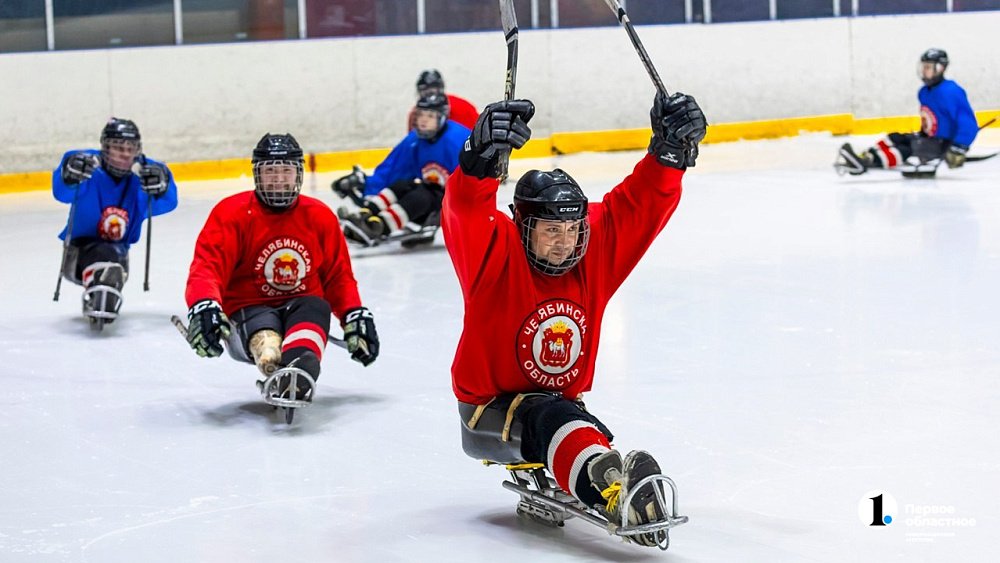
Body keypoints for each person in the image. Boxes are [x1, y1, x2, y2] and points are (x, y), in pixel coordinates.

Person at [442, 93, 706, 547]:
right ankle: (613, 493)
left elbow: (638, 206)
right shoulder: (494, 253)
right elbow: (464, 210)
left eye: (572, 229)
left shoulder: (591, 252)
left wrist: (668, 155)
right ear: (522, 225)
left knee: (568, 422)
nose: (564, 242)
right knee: (553, 417)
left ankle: (607, 474)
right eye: (550, 230)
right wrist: (478, 160)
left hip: (559, 409)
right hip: (488, 410)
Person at [184, 133, 379, 402]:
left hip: (301, 306)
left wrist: (353, 314)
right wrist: (205, 304)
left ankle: (297, 370)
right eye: (270, 171)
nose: (278, 178)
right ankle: (274, 356)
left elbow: (338, 277)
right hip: (248, 309)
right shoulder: (231, 213)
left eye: (286, 171)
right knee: (268, 343)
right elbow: (207, 267)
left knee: (316, 306)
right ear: (257, 174)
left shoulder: (319, 216)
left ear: (298, 173)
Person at [52, 117, 178, 326]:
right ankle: (98, 286)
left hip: (119, 255)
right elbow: (62, 192)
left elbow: (168, 202)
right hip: (78, 253)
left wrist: (163, 186)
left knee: (110, 260)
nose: (125, 154)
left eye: (131, 148)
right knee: (105, 256)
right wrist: (69, 175)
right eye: (118, 148)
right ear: (105, 147)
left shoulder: (143, 176)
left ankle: (102, 292)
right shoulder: (87, 169)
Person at [334, 92, 470, 247]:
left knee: (421, 195)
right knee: (401, 185)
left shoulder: (458, 139)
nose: (423, 120)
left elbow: (475, 178)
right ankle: (364, 214)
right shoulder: (414, 140)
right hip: (427, 191)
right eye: (421, 115)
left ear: (442, 117)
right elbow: (393, 169)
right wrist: (366, 185)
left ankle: (377, 227)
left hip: (450, 201)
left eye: (430, 116)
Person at [838, 48, 979, 175]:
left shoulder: (951, 91)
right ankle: (867, 156)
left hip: (942, 144)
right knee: (896, 138)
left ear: (940, 68)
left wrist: (959, 147)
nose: (924, 71)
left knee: (907, 149)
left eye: (928, 67)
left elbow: (968, 122)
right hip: (929, 139)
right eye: (923, 67)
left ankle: (869, 162)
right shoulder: (924, 92)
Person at [406, 69, 479, 132]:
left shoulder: (463, 108)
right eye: (426, 91)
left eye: (433, 91)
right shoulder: (415, 114)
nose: (430, 97)